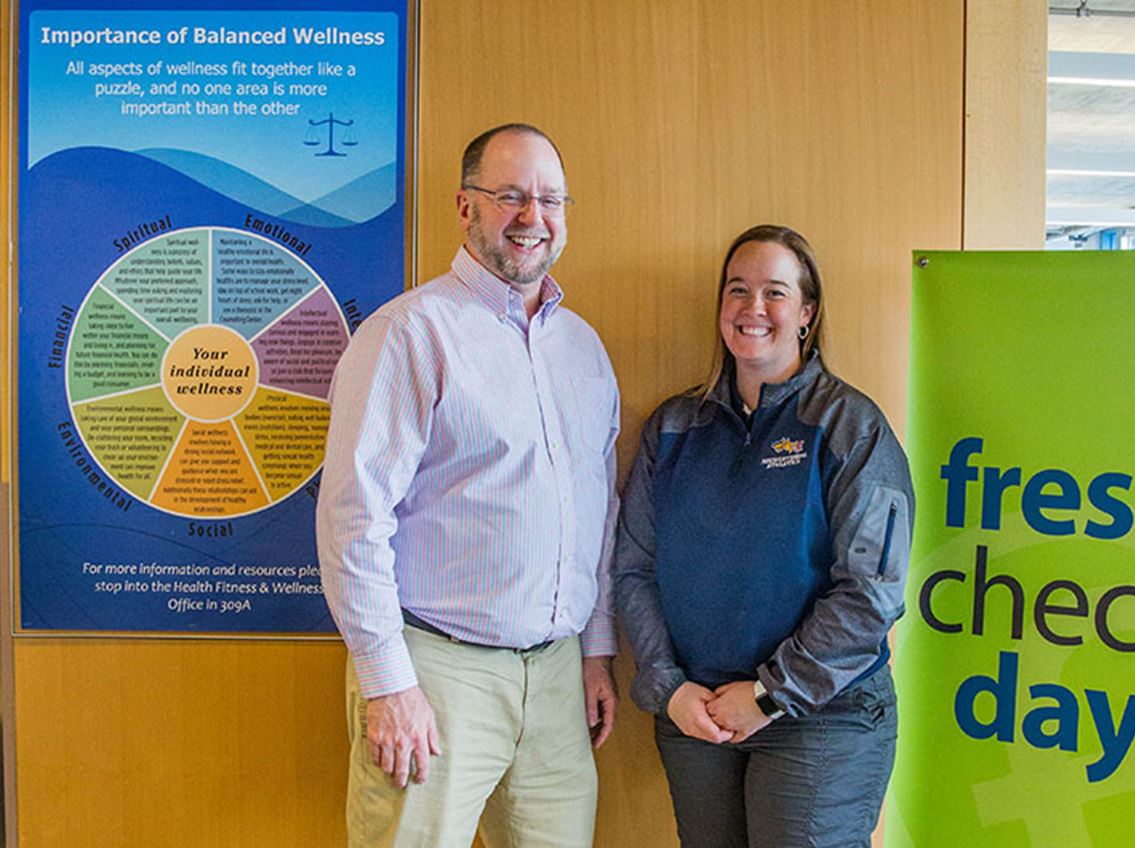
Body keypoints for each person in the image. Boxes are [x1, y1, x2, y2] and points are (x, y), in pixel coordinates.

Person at [318, 123, 620, 848]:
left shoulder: (582, 348)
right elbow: (354, 518)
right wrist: (389, 685)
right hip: (436, 671)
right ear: (465, 207)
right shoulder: (411, 333)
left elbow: (597, 514)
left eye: (550, 199)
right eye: (509, 195)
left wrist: (596, 651)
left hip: (555, 679)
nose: (531, 217)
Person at [615, 225, 913, 848]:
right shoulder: (672, 427)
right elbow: (634, 570)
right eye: (738, 290)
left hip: (821, 716)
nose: (753, 308)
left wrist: (771, 695)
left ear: (806, 312)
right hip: (698, 715)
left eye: (775, 293)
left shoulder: (850, 427)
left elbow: (871, 595)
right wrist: (669, 690)